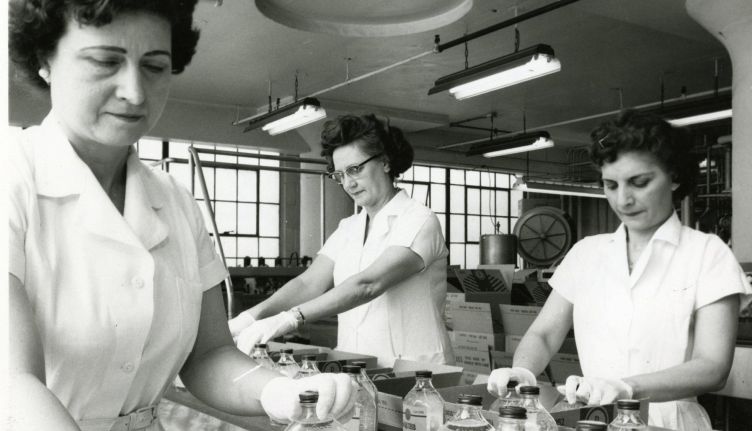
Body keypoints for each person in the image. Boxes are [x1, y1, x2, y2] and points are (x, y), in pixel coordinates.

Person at [8, 1, 353, 430]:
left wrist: (275, 390)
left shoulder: (174, 200)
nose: (134, 92)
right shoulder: (12, 180)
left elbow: (209, 355)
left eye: (155, 66)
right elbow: (13, 382)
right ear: (45, 59)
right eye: (104, 61)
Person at [486, 110, 752, 431]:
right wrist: (524, 372)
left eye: (639, 183)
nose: (623, 199)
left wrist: (627, 387)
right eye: (610, 185)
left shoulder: (707, 255)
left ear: (675, 177)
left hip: (671, 422)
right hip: (596, 420)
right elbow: (544, 333)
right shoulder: (587, 253)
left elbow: (713, 367)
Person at [229, 114, 454, 367]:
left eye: (355, 170)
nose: (348, 183)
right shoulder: (349, 227)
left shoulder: (419, 219)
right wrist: (250, 317)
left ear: (385, 162)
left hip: (413, 369)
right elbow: (308, 283)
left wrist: (291, 318)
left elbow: (368, 284)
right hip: (356, 363)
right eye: (339, 175)